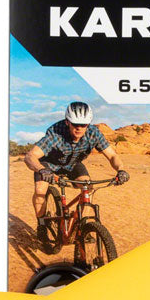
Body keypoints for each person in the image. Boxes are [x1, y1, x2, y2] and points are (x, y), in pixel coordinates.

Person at [24, 101, 129, 240]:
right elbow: (30, 156)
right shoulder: (55, 133)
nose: (79, 128)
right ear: (67, 122)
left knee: (88, 188)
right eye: (75, 124)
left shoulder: (93, 133)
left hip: (73, 164)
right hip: (48, 164)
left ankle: (83, 227)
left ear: (88, 124)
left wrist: (121, 170)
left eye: (83, 125)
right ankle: (42, 224)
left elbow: (112, 155)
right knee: (40, 190)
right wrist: (42, 170)